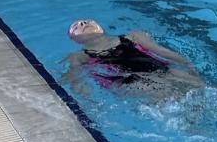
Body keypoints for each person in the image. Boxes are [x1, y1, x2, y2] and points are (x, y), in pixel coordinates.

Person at [65, 19, 204, 96]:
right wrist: (87, 98)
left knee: (201, 85)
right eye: (76, 26)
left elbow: (162, 51)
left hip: (161, 69)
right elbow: (74, 79)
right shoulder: (79, 56)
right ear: (75, 40)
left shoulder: (134, 36)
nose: (82, 23)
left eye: (86, 21)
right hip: (130, 81)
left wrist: (187, 63)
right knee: (168, 95)